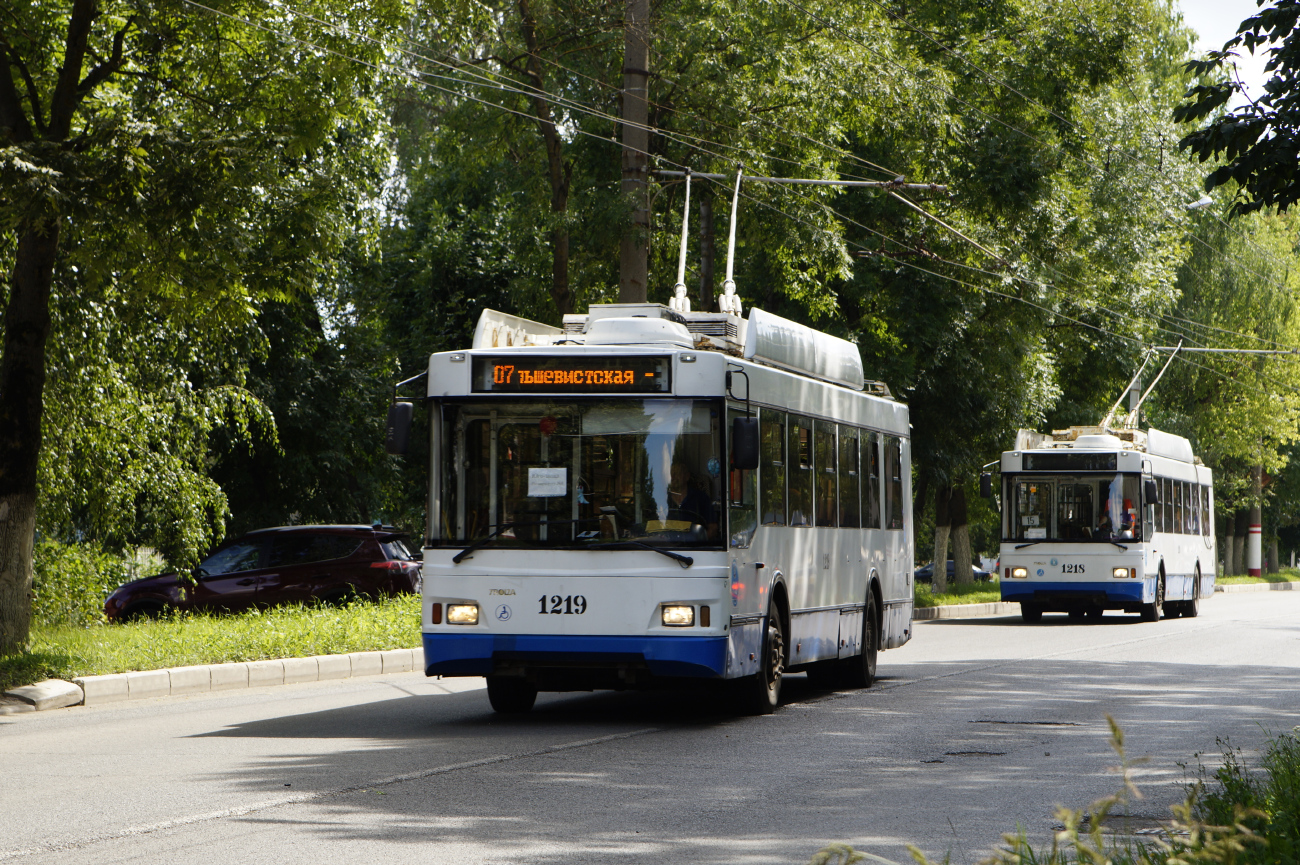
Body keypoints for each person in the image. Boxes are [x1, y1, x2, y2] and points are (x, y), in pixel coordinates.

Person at [667, 463, 719, 539]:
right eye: (671, 474)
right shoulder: (663, 499)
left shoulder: (701, 498)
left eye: (677, 473)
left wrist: (699, 543)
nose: (673, 477)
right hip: (664, 547)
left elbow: (713, 528)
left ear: (687, 476)